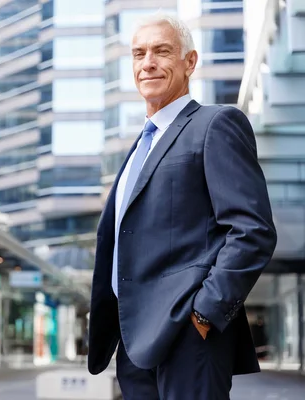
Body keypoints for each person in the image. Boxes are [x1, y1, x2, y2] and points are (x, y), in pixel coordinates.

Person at [87, 13, 277, 400]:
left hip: (187, 337)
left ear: (190, 62)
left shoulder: (215, 124)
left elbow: (251, 230)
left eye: (161, 51)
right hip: (134, 344)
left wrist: (203, 315)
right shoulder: (139, 149)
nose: (148, 63)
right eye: (139, 54)